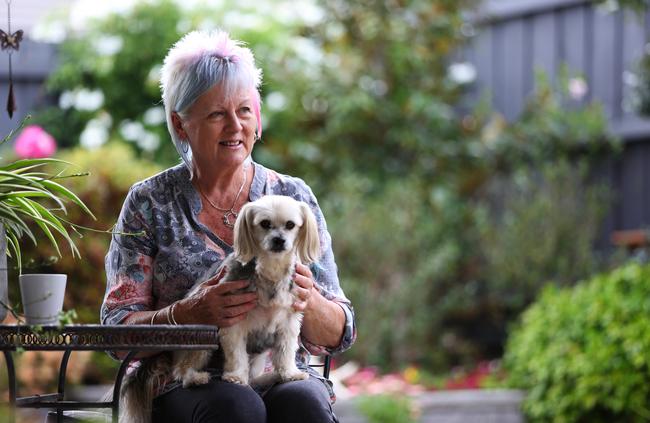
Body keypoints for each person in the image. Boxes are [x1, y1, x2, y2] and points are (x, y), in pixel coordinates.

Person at [100, 29, 356, 423]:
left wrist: (309, 300)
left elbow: (341, 332)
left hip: (278, 372)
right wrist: (189, 313)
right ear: (181, 124)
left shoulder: (292, 196)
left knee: (304, 404)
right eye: (217, 114)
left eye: (245, 110)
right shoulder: (149, 202)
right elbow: (117, 334)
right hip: (185, 382)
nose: (235, 126)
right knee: (235, 406)